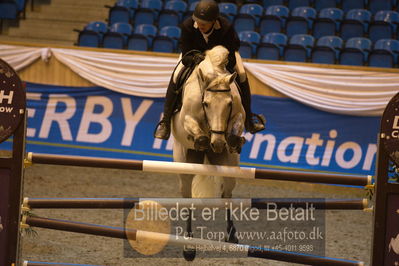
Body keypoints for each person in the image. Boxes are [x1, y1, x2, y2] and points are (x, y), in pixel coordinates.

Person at [154, 0, 265, 140]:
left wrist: (220, 60)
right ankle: (165, 122)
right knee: (177, 75)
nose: (200, 25)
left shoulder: (226, 27)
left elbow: (231, 55)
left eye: (204, 23)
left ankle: (249, 119)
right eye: (198, 21)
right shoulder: (188, 25)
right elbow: (186, 54)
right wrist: (196, 59)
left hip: (221, 59)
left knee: (241, 73)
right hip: (194, 56)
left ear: (213, 21)